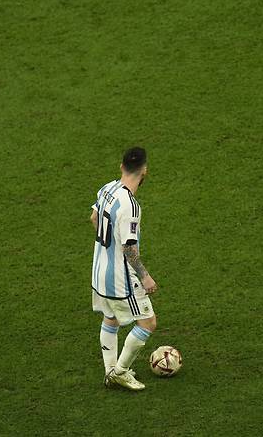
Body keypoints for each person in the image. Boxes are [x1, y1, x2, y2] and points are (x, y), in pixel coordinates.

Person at [90, 147, 158, 390]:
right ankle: (119, 372)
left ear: (121, 167)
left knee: (111, 317)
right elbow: (129, 248)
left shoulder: (107, 188)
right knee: (148, 323)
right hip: (119, 279)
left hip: (98, 273)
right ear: (144, 171)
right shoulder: (130, 206)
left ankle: (110, 371)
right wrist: (145, 276)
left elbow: (94, 219)